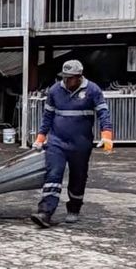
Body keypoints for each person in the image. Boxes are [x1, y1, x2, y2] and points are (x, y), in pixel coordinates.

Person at [31, 59, 113, 228]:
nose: (66, 81)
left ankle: (74, 208)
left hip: (80, 144)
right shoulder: (55, 91)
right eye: (64, 77)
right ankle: (45, 212)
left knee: (79, 176)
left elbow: (103, 113)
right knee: (53, 174)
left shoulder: (92, 90)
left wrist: (106, 135)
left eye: (70, 78)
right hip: (57, 141)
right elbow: (47, 117)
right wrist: (40, 138)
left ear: (79, 77)